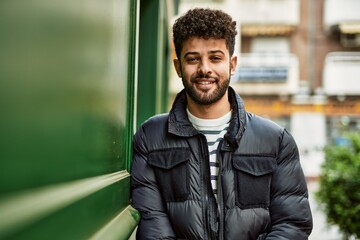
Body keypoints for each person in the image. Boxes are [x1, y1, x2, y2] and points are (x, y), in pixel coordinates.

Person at [131, 8, 313, 240]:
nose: (204, 68)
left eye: (215, 58)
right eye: (193, 58)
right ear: (178, 67)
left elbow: (292, 224)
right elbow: (154, 228)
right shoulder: (151, 137)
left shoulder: (276, 140)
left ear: (232, 64)